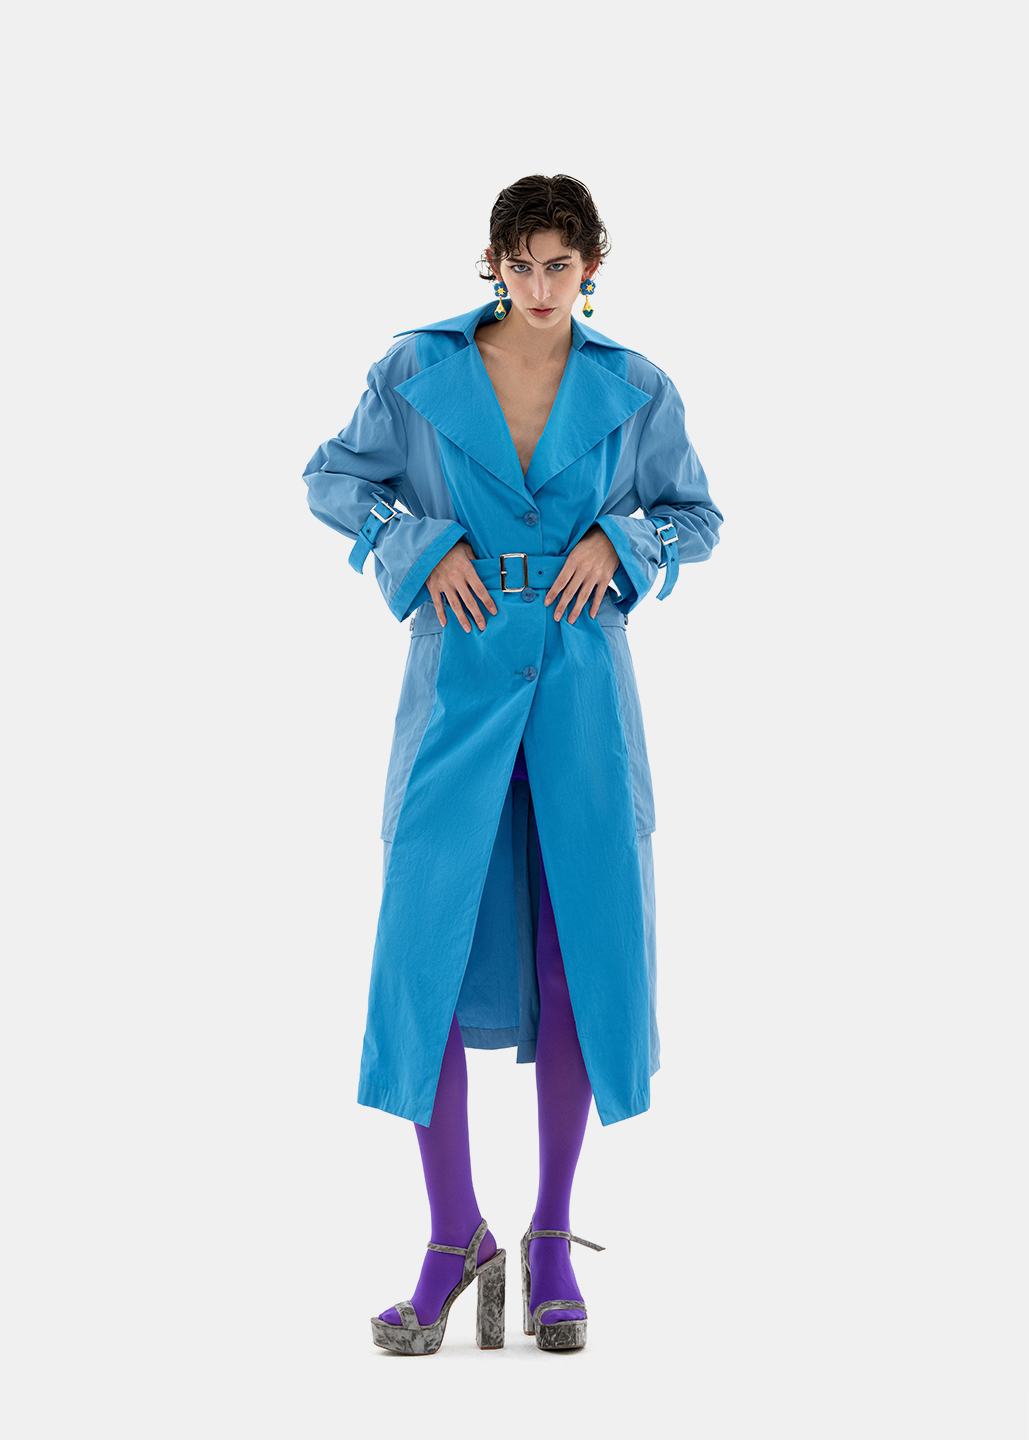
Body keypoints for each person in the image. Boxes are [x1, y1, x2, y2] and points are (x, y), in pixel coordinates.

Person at [302, 174, 723, 1354]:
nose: (541, 287)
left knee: (576, 954)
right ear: (492, 262)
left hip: (584, 695)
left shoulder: (637, 387)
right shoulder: (416, 370)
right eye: (522, 264)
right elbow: (335, 478)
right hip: (461, 681)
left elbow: (696, 515)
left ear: (593, 267)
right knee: (423, 957)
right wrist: (416, 544)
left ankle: (551, 1240)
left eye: (561, 265)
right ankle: (452, 1236)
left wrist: (623, 539)